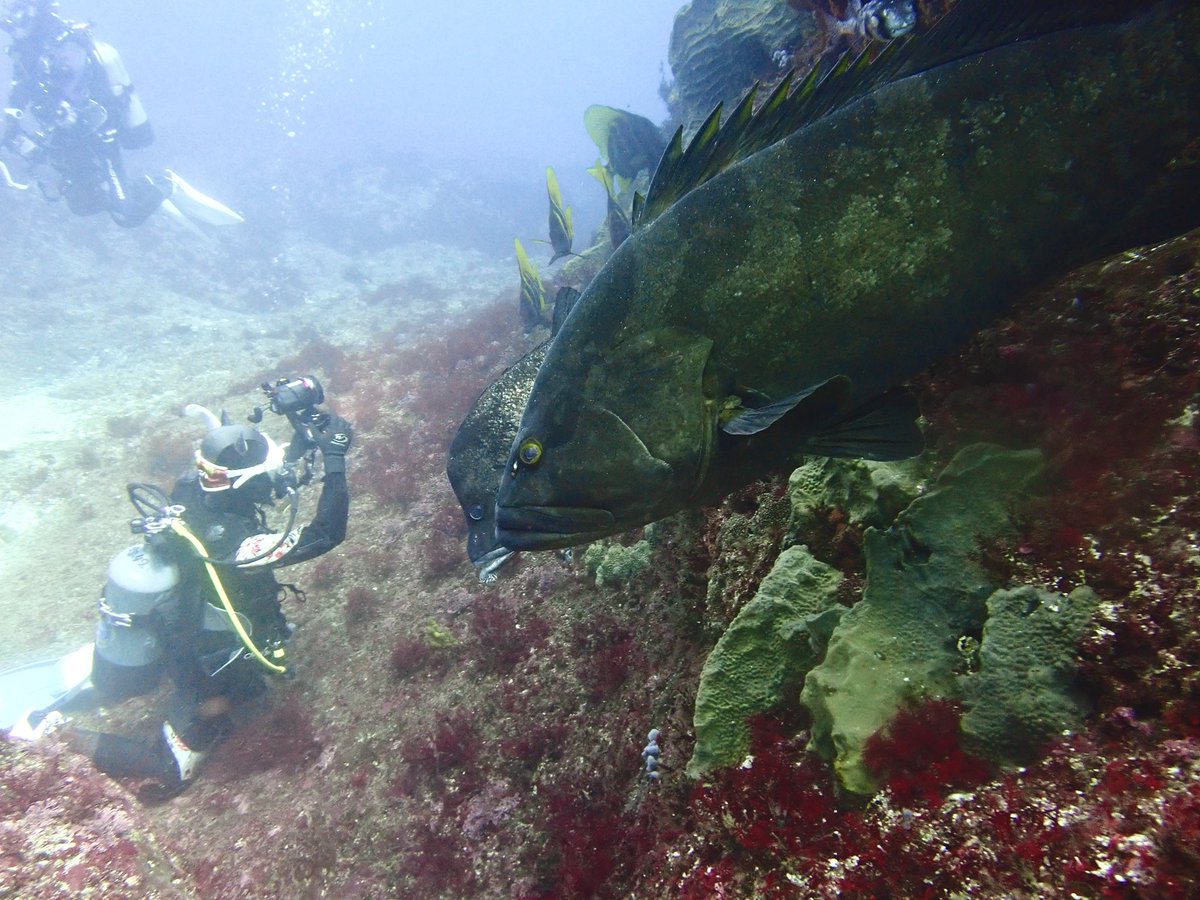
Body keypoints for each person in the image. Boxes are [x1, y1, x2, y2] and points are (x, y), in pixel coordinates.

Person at [55, 377, 352, 798]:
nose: (276, 478)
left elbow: (273, 472)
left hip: (190, 613)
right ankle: (56, 738)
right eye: (265, 475)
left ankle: (118, 680)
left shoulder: (196, 485)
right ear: (244, 484)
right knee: (178, 763)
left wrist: (307, 431)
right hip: (206, 658)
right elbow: (327, 532)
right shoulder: (233, 543)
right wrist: (336, 458)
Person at [0, 0, 167, 225]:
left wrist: (59, 112)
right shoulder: (27, 49)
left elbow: (78, 91)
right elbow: (21, 87)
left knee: (125, 215)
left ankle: (166, 184)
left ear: (36, 11)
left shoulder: (65, 42)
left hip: (99, 132)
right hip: (68, 136)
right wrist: (12, 120)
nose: (13, 18)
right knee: (82, 203)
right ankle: (140, 187)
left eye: (19, 10)